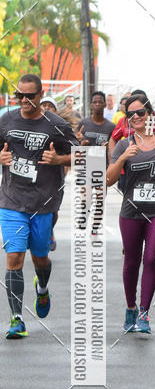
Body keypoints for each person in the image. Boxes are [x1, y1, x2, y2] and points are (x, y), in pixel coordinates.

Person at [0, 74, 76, 339]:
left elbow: (89, 157)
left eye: (29, 96)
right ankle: (17, 319)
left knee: (40, 258)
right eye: (19, 95)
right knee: (14, 258)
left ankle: (42, 287)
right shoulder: (6, 121)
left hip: (43, 204)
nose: (23, 101)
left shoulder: (56, 125)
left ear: (40, 96)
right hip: (11, 201)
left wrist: (60, 159)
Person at [107, 94, 155, 334]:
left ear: (150, 115)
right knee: (131, 261)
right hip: (131, 212)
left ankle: (145, 312)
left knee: (151, 258)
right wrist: (123, 159)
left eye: (140, 112)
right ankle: (130, 308)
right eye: (130, 114)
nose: (135, 117)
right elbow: (108, 179)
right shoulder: (124, 145)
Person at [41, 95, 63, 252]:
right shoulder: (27, 125)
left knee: (53, 211)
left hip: (54, 178)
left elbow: (77, 154)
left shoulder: (62, 128)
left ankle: (49, 230)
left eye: (51, 106)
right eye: (44, 105)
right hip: (32, 179)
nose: (47, 108)